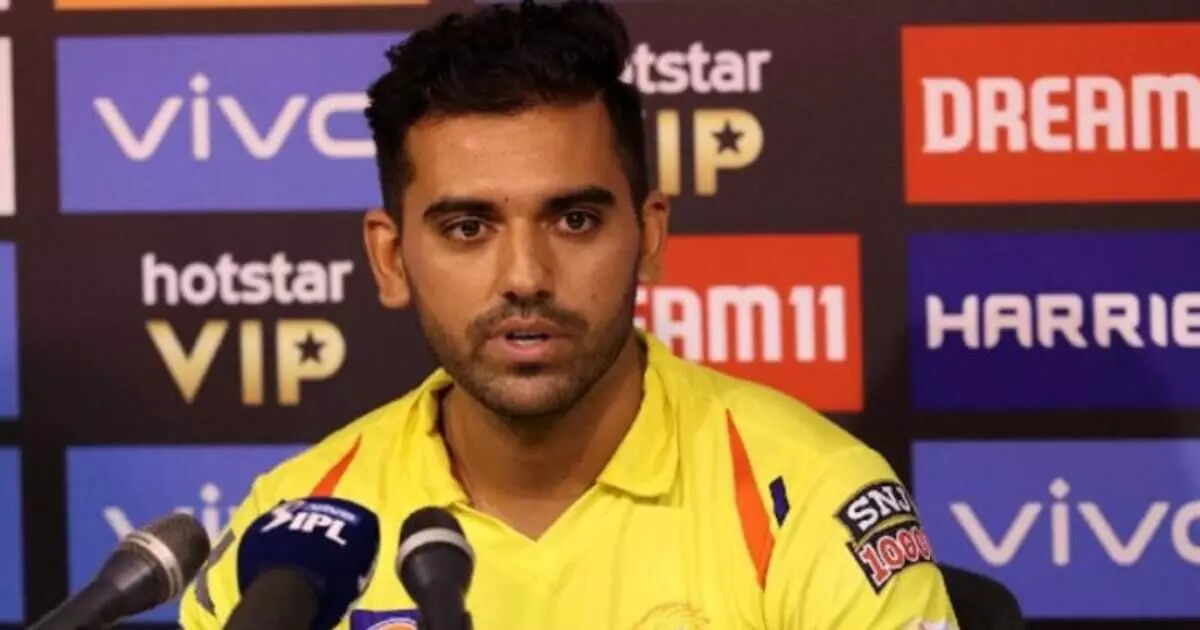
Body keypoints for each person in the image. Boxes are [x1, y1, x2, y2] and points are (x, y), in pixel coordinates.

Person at [178, 1, 959, 628]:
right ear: (390, 259)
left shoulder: (812, 498)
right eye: (468, 228)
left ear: (649, 237)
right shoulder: (295, 539)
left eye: (575, 220)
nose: (526, 276)